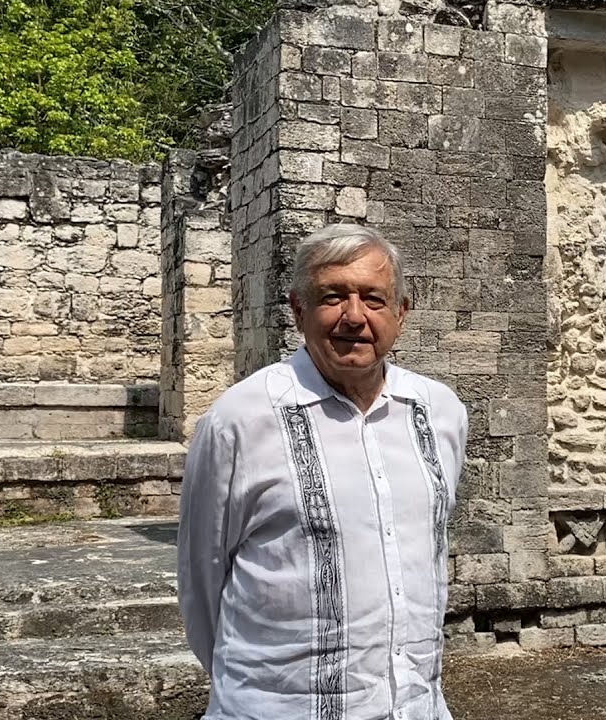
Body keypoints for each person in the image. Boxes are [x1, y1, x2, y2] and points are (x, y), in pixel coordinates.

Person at [177, 223, 469, 720]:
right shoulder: (241, 421)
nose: (354, 317)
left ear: (401, 312)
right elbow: (202, 581)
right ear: (298, 309)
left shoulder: (439, 412)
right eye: (333, 296)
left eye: (374, 299)